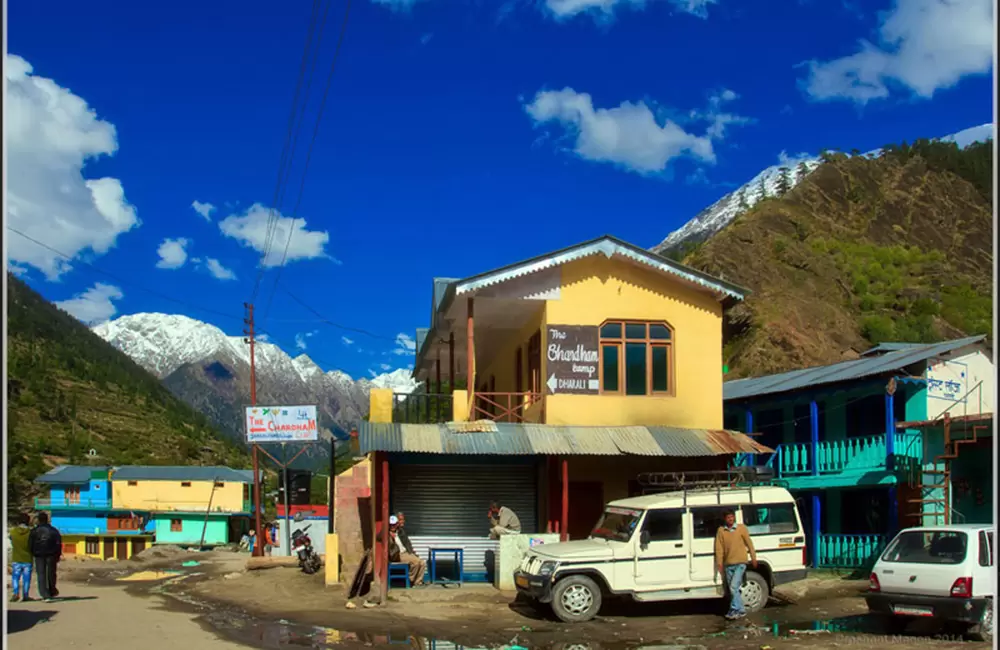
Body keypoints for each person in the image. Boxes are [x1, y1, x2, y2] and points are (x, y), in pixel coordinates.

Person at [714, 509, 757, 620]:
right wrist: (719, 563)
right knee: (732, 589)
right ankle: (741, 610)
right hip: (728, 564)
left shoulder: (741, 528)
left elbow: (749, 543)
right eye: (728, 517)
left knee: (733, 587)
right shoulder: (721, 531)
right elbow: (719, 548)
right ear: (725, 519)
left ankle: (734, 609)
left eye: (732, 517)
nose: (731, 519)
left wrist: (753, 558)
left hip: (740, 563)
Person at [28, 512, 62, 602]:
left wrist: (33, 553)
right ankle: (51, 590)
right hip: (51, 555)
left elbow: (30, 544)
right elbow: (58, 544)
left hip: (39, 555)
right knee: (51, 573)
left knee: (41, 574)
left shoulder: (34, 531)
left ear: (39, 520)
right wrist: (58, 555)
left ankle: (44, 594)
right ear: (47, 519)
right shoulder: (54, 530)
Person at [391, 513, 426, 586]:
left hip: (405, 553)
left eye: (402, 520)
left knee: (422, 563)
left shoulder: (400, 531)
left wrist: (413, 553)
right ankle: (410, 580)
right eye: (400, 520)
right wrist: (390, 535)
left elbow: (407, 544)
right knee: (415, 563)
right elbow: (379, 536)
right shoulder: (388, 533)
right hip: (398, 554)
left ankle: (418, 582)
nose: (402, 521)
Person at [8, 513, 33, 602]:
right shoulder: (30, 532)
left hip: (16, 558)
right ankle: (25, 595)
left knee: (15, 577)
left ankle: (15, 594)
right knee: (26, 578)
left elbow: (11, 540)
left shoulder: (13, 532)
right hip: (28, 558)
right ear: (28, 521)